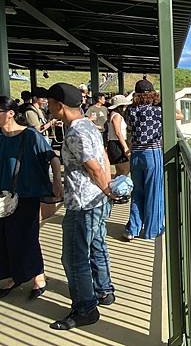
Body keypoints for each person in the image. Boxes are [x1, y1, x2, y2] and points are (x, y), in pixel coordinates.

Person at [46, 83, 116, 330]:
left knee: (74, 258)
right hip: (97, 200)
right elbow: (104, 157)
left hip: (82, 204)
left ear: (60, 106)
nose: (48, 107)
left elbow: (93, 167)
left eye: (50, 103)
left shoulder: (75, 133)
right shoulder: (89, 125)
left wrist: (107, 189)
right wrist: (107, 192)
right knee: (97, 245)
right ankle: (104, 290)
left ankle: (85, 309)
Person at [0, 96, 62, 300]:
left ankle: (38, 276)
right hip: (3, 197)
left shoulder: (31, 136)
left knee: (27, 236)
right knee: (4, 237)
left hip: (27, 194)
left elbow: (52, 157)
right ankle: (11, 276)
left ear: (10, 113)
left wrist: (57, 183)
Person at [123, 79, 164, 240]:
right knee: (154, 192)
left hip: (136, 154)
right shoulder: (157, 109)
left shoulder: (130, 110)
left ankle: (132, 229)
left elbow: (130, 130)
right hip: (152, 152)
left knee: (137, 192)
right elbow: (179, 115)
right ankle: (152, 230)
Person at [107, 95, 131, 177]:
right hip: (117, 143)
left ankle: (115, 188)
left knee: (120, 171)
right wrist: (125, 147)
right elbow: (118, 132)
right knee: (125, 169)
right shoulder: (117, 116)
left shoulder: (113, 114)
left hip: (115, 143)